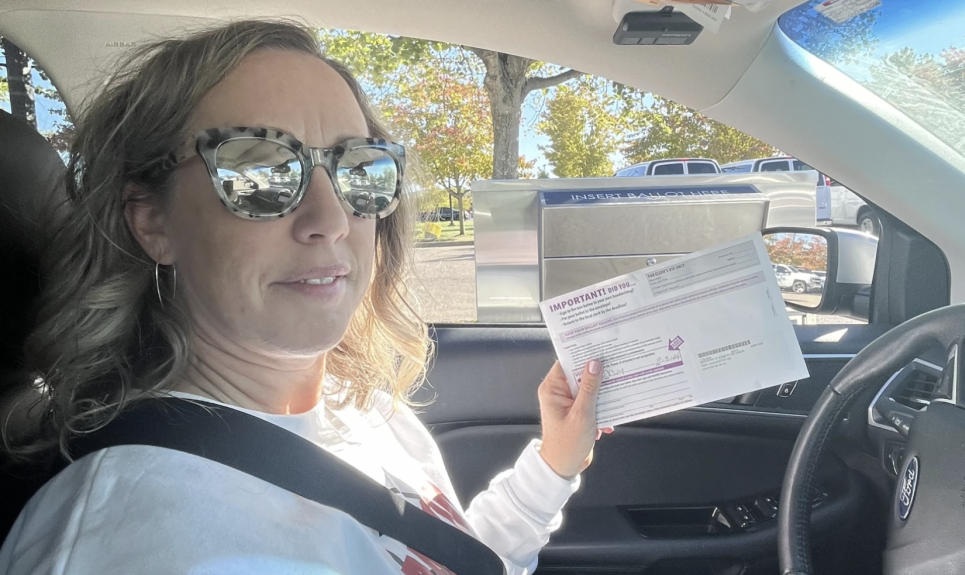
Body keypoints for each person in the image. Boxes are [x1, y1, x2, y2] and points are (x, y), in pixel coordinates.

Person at [0, 20, 611, 575]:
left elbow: (458, 561)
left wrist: (554, 465)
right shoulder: (148, 542)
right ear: (151, 219)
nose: (331, 218)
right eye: (258, 170)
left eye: (359, 169)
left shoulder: (366, 412)